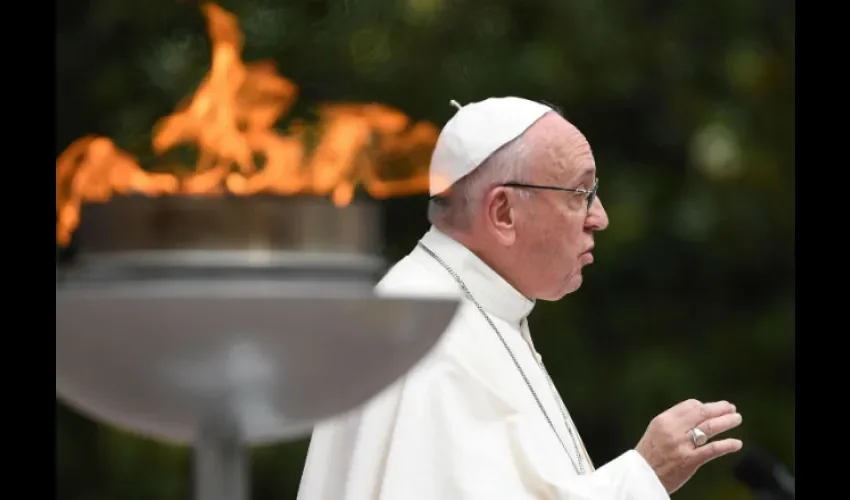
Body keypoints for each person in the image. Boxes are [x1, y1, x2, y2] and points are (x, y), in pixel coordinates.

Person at [296, 97, 744, 499]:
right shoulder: (425, 333)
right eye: (581, 194)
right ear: (504, 213)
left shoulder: (469, 308)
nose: (600, 217)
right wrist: (643, 476)